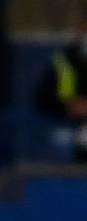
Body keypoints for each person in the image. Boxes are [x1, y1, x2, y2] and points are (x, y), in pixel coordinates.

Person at [34, 17, 87, 161]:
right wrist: (68, 106)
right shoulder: (64, 59)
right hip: (65, 122)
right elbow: (43, 98)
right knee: (63, 141)